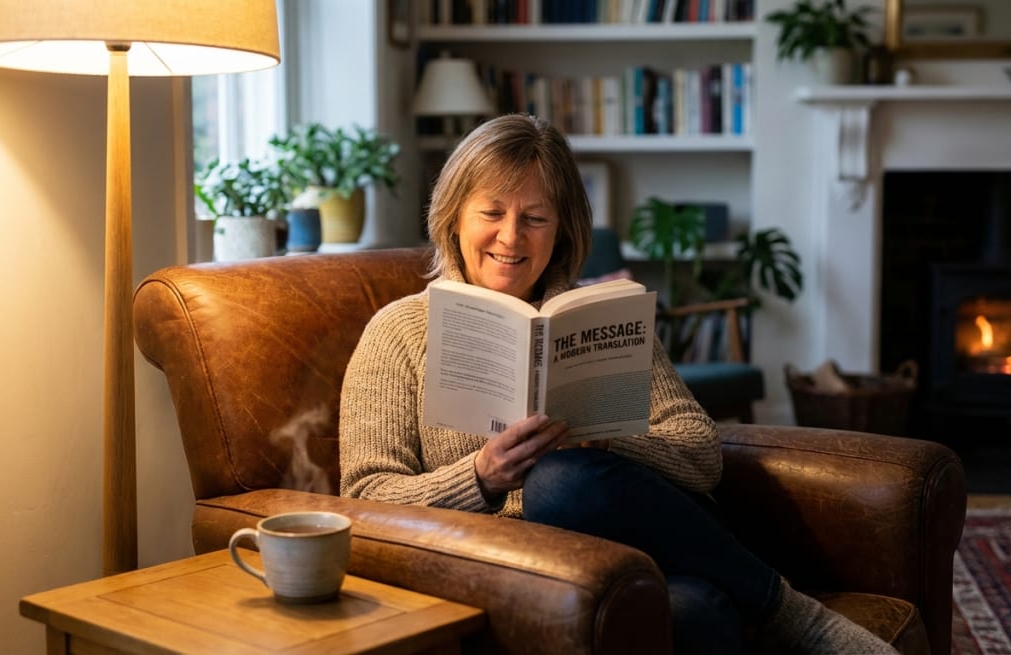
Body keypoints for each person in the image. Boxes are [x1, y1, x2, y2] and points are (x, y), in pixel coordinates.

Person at [338, 113, 897, 655]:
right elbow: (362, 497)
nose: (511, 236)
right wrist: (481, 477)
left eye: (535, 218)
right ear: (454, 215)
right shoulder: (398, 332)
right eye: (492, 212)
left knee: (570, 485)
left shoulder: (597, 319)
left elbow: (702, 455)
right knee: (690, 607)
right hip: (526, 566)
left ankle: (788, 615)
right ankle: (779, 611)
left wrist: (609, 442)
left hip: (637, 535)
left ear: (562, 230)